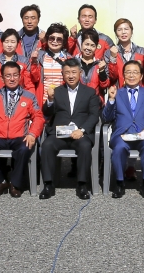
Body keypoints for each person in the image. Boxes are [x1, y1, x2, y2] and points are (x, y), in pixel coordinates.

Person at [0, 61, 44, 197]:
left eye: (15, 75)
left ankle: (15, 183)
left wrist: (32, 134)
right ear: (2, 78)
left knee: (24, 148)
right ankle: (0, 182)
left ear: (20, 77)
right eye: (8, 76)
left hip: (19, 134)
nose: (12, 78)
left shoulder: (29, 96)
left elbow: (38, 117)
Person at [40, 57, 102, 200]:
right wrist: (49, 100)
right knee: (47, 145)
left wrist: (82, 130)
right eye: (67, 72)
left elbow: (94, 115)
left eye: (74, 72)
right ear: (62, 74)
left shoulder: (90, 92)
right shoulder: (57, 91)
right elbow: (47, 113)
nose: (71, 76)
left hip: (80, 133)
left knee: (85, 146)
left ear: (80, 73)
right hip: (59, 133)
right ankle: (48, 184)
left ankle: (82, 184)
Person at [102, 60, 144, 198]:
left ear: (141, 76)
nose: (131, 75)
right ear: (123, 75)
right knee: (119, 148)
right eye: (128, 72)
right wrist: (111, 100)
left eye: (135, 72)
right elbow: (106, 118)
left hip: (143, 133)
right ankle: (119, 183)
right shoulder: (117, 93)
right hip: (122, 134)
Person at [31, 23, 71, 104]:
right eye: (52, 38)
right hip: (43, 101)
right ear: (47, 38)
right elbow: (34, 79)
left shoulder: (68, 59)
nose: (55, 42)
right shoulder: (39, 56)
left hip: (62, 102)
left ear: (64, 42)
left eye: (59, 39)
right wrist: (34, 63)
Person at [106, 18, 144, 88]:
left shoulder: (142, 51)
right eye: (119, 30)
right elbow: (112, 77)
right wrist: (113, 58)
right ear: (116, 33)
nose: (123, 32)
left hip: (138, 93)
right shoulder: (109, 52)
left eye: (126, 29)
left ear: (131, 31)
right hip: (119, 92)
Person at [74, 29, 112, 100]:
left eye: (92, 45)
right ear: (81, 44)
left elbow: (104, 86)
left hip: (95, 104)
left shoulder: (100, 64)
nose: (88, 48)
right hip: (77, 104)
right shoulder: (73, 62)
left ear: (96, 47)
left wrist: (102, 71)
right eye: (86, 44)